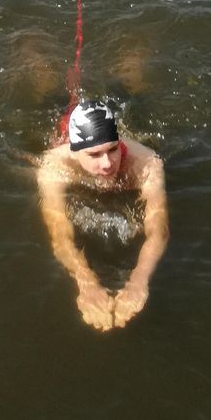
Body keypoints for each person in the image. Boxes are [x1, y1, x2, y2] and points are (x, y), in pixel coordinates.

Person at [37, 100, 169, 332]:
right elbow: (59, 231)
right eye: (95, 154)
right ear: (75, 152)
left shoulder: (146, 163)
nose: (107, 163)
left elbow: (158, 229)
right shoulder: (54, 167)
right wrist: (86, 283)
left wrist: (138, 281)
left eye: (113, 149)